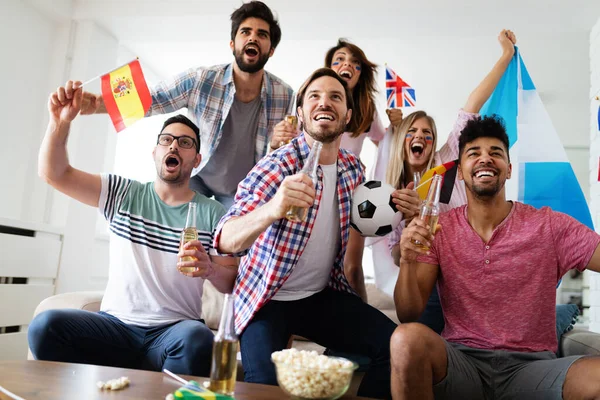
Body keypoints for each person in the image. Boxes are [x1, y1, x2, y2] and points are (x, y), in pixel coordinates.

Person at [28, 81, 238, 376]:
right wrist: (59, 123)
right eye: (167, 140)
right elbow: (54, 173)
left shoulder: (214, 213)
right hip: (115, 329)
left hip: (173, 333)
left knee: (197, 339)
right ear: (155, 152)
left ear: (197, 160)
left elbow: (231, 283)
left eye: (186, 142)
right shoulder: (122, 192)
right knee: (45, 327)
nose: (174, 145)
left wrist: (209, 269)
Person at [214, 68, 396, 399]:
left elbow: (370, 218)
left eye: (335, 97)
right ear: (300, 113)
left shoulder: (353, 170)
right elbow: (225, 239)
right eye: (314, 96)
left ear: (348, 115)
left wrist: (400, 208)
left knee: (396, 347)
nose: (324, 102)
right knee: (264, 385)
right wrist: (273, 208)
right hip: (267, 300)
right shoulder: (277, 166)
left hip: (319, 296)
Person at [391, 114, 600, 399]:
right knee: (405, 339)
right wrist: (406, 260)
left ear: (509, 169)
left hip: (532, 370)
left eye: (496, 153)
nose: (485, 159)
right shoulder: (439, 228)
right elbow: (408, 314)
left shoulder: (549, 225)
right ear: (461, 172)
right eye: (473, 153)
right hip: (462, 366)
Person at [78, 1, 294, 209]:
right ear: (232, 44)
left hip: (240, 190)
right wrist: (98, 104)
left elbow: (286, 152)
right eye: (245, 32)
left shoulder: (285, 96)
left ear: (271, 50)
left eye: (261, 34)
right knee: (177, 230)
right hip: (194, 177)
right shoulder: (202, 79)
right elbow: (154, 98)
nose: (253, 38)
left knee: (231, 243)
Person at [371, 30, 517, 333]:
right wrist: (410, 220)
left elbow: (472, 104)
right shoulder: (390, 197)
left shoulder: (447, 159)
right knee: (421, 340)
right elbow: (398, 257)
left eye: (428, 133)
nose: (420, 137)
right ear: (401, 141)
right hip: (430, 280)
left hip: (473, 268)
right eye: (413, 132)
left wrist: (505, 56)